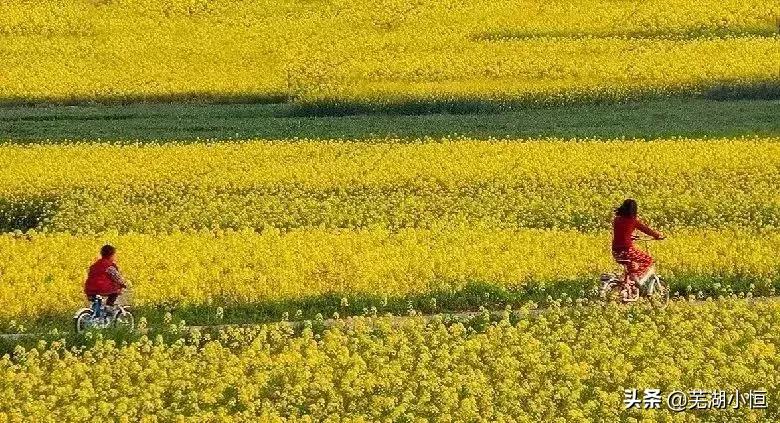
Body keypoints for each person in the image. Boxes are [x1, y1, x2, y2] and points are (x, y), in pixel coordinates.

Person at [612, 199, 665, 288]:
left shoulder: (617, 220)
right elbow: (646, 230)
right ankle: (636, 276)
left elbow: (621, 232)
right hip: (627, 251)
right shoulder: (633, 221)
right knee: (648, 260)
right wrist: (657, 235)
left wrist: (630, 237)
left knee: (631, 267)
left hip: (616, 252)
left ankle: (630, 288)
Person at [84, 244, 127, 316]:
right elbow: (117, 277)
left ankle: (96, 315)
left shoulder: (94, 265)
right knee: (115, 291)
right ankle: (109, 306)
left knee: (97, 302)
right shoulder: (109, 266)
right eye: (114, 255)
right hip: (101, 289)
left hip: (89, 289)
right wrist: (123, 284)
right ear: (111, 256)